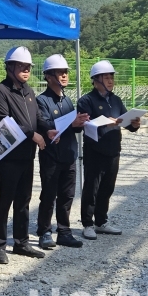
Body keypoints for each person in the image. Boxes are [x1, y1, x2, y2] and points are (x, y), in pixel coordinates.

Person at [0, 46, 49, 264]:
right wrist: (33, 134)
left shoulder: (28, 92)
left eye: (28, 67)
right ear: (9, 67)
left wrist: (48, 129)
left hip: (26, 155)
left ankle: (22, 242)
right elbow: (5, 122)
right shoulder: (0, 92)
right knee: (5, 200)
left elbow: (38, 116)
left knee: (24, 200)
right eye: (22, 66)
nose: (26, 70)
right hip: (8, 157)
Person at [77, 60, 141, 240]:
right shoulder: (86, 101)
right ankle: (87, 223)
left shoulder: (116, 100)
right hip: (95, 151)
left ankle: (101, 221)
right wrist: (107, 120)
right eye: (106, 77)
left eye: (112, 76)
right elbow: (86, 124)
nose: (111, 80)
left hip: (113, 150)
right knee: (92, 188)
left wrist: (134, 124)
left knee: (107, 188)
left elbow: (126, 122)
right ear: (96, 79)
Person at [36, 54, 89, 249]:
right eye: (60, 72)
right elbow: (45, 125)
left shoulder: (66, 100)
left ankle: (64, 231)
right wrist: (71, 123)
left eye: (66, 72)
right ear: (49, 76)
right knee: (49, 194)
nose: (65, 75)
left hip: (69, 154)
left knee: (67, 195)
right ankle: (44, 231)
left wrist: (81, 123)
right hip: (51, 156)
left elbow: (73, 128)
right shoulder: (41, 101)